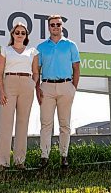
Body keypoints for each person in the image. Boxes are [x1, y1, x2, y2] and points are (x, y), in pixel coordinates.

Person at [36, 15, 80, 168]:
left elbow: (76, 68)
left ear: (62, 26)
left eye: (58, 24)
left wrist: (73, 87)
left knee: (64, 124)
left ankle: (64, 156)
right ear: (48, 27)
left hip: (66, 86)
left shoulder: (71, 45)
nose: (55, 27)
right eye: (52, 24)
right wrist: (37, 88)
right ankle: (44, 157)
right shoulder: (41, 47)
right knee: (46, 124)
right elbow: (37, 70)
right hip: (46, 87)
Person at [0, 22, 39, 170]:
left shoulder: (32, 52)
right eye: (17, 32)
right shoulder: (5, 50)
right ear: (12, 34)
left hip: (27, 84)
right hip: (9, 84)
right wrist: (1, 91)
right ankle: (2, 162)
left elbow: (36, 72)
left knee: (23, 123)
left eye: (23, 33)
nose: (20, 35)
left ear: (26, 36)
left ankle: (20, 161)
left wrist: (32, 84)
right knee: (5, 123)